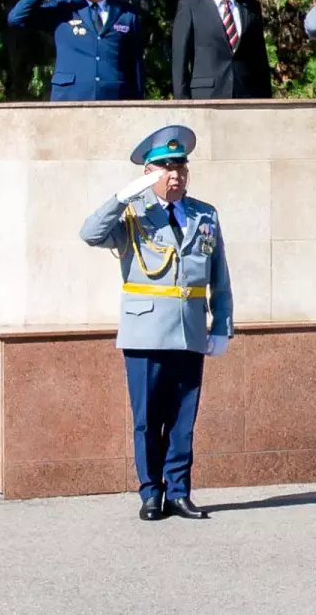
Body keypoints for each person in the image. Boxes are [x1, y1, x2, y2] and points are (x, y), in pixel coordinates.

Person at [79, 125, 233, 521]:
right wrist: (121, 197)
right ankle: (151, 493)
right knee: (148, 421)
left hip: (189, 331)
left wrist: (221, 326)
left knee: (183, 421)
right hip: (145, 333)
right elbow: (90, 234)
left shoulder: (204, 214)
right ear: (149, 172)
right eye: (165, 167)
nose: (175, 174)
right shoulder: (132, 213)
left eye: (180, 165)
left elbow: (219, 276)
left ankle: (179, 492)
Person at [6, 0, 145, 101]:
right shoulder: (63, 7)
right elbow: (16, 17)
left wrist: (136, 105)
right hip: (70, 99)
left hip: (113, 101)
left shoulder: (126, 14)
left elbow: (135, 66)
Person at [172, 0, 272, 99]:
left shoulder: (251, 7)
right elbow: (180, 62)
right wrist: (182, 105)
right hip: (206, 97)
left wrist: (266, 103)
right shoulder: (190, 7)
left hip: (246, 97)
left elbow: (260, 61)